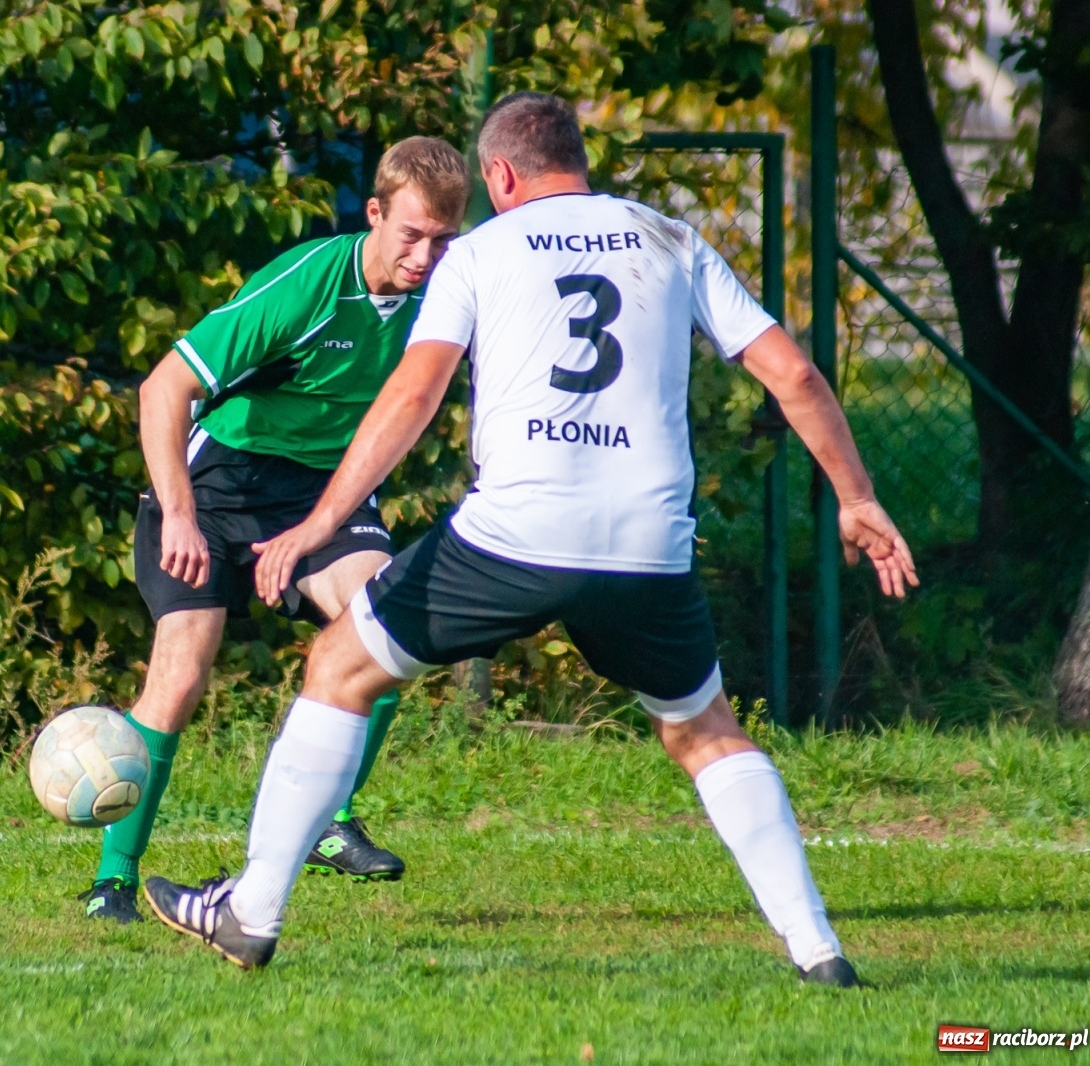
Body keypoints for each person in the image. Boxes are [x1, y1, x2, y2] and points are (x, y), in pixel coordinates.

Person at [143, 92, 919, 982]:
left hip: (512, 538)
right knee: (707, 731)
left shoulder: (479, 252)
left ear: (499, 175)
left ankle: (251, 910)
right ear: (579, 162)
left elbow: (413, 395)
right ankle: (818, 951)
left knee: (339, 668)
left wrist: (320, 522)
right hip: (647, 545)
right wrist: (856, 499)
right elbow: (794, 373)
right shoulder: (670, 237)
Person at [81, 137, 471, 924]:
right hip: (215, 482)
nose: (425, 257)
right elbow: (164, 389)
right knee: (182, 672)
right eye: (410, 235)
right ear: (374, 214)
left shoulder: (449, 296)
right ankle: (112, 882)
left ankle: (330, 821)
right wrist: (182, 515)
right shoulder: (307, 284)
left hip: (318, 492)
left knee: (389, 628)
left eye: (442, 239)